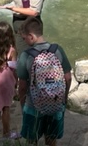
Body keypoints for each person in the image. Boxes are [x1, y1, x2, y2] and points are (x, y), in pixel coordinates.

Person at [17, 17, 72, 146]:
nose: (24, 41)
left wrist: (23, 104)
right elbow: (68, 77)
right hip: (55, 103)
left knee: (32, 140)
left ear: (31, 36)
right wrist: (64, 98)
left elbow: (23, 87)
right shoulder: (58, 50)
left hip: (33, 106)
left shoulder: (26, 55)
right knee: (51, 139)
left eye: (24, 38)